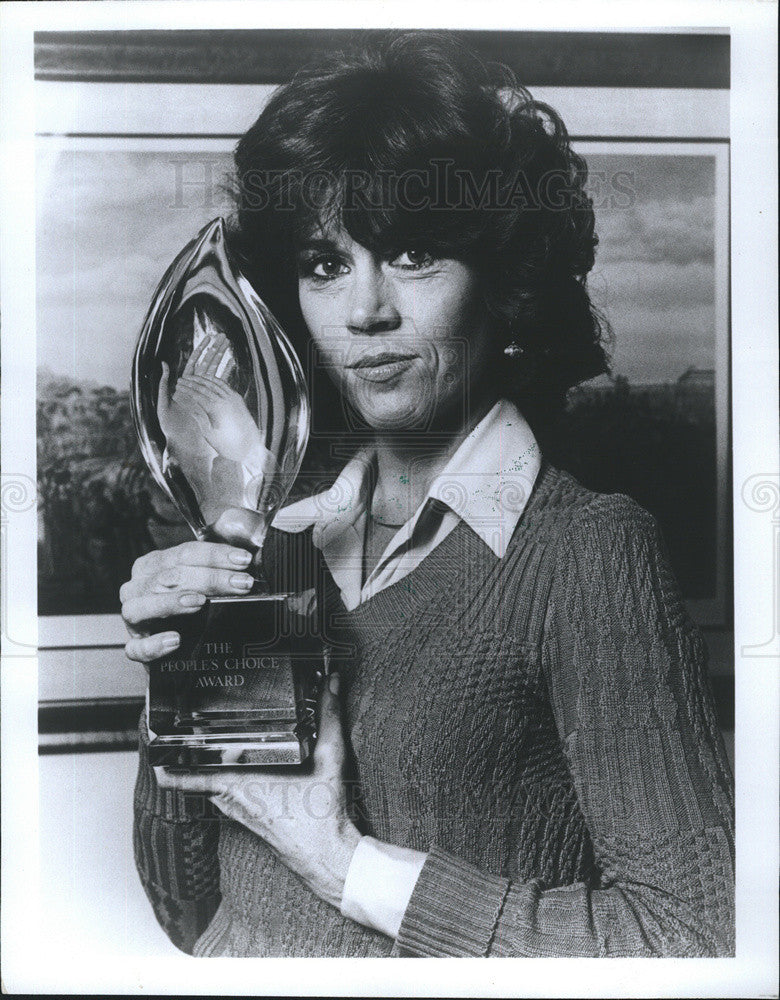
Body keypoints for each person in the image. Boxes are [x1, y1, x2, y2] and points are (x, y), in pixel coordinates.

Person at [121, 32, 734, 957]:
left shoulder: (587, 553)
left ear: (508, 282)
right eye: (326, 263)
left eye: (411, 254)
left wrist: (344, 863)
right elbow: (195, 913)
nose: (364, 310)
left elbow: (698, 934)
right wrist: (177, 682)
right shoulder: (279, 543)